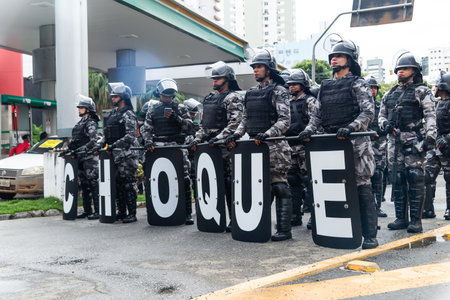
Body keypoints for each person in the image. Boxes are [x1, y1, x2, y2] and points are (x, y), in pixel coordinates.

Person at [298, 39, 378, 249]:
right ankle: (340, 231)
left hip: (356, 144)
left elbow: (368, 112)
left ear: (349, 60)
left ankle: (370, 235)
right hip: (331, 146)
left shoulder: (358, 83)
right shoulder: (325, 87)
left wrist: (352, 127)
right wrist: (307, 130)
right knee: (335, 188)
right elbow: (317, 116)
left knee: (362, 188)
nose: (334, 59)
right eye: (332, 56)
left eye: (339, 56)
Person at [225, 49, 293, 241]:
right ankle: (258, 227)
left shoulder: (279, 91)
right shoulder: (251, 93)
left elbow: (285, 120)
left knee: (279, 187)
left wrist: (268, 134)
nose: (255, 70)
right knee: (258, 188)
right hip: (254, 146)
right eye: (254, 67)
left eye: (259, 67)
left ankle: (284, 230)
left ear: (269, 69)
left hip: (274, 146)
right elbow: (245, 120)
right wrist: (235, 135)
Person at [379, 51, 436, 233]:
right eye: (399, 69)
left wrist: (429, 138)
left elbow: (430, 115)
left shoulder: (422, 91)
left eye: (405, 68)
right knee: (397, 178)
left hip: (414, 139)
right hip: (393, 142)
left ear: (415, 70)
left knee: (415, 177)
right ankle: (400, 219)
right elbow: (380, 116)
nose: (400, 72)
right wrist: (385, 124)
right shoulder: (389, 93)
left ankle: (416, 221)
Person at [189, 61, 244, 232]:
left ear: (227, 79)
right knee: (210, 182)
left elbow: (236, 122)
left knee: (229, 184)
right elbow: (203, 125)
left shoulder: (233, 97)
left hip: (225, 147)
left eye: (218, 78)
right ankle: (213, 217)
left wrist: (219, 138)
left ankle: (234, 219)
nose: (214, 81)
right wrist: (197, 139)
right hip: (210, 148)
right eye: (214, 78)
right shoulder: (209, 98)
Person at [141, 78, 195, 225]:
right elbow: (146, 128)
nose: (168, 98)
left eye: (170, 96)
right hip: (158, 146)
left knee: (184, 179)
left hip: (176, 146)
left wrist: (175, 118)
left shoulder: (181, 108)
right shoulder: (153, 108)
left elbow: (189, 127)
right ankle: (155, 211)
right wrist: (148, 141)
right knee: (155, 179)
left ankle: (187, 213)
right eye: (165, 95)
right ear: (159, 94)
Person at [95, 82, 139, 223]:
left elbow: (130, 136)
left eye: (115, 97)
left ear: (123, 98)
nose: (112, 99)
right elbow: (107, 135)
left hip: (127, 155)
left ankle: (132, 214)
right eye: (112, 96)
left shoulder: (128, 114)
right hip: (114, 154)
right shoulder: (113, 114)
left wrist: (112, 146)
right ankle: (121, 212)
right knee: (118, 184)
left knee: (128, 184)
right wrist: (99, 146)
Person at [285, 69, 317, 228]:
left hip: (305, 146)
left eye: (295, 84)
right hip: (290, 146)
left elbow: (316, 121)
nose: (292, 87)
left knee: (309, 180)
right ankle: (295, 215)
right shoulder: (287, 103)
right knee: (292, 180)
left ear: (303, 84)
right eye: (290, 84)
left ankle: (315, 216)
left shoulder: (310, 101)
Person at [64, 95, 100, 220]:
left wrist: (81, 150)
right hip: (80, 158)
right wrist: (67, 150)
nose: (79, 109)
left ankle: (98, 211)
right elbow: (75, 140)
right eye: (79, 108)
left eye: (82, 108)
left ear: (88, 109)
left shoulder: (91, 123)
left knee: (93, 184)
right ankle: (87, 210)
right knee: (84, 185)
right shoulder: (80, 123)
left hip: (89, 158)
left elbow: (93, 141)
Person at [425, 71, 450, 220]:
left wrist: (447, 138)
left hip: (447, 147)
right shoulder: (435, 104)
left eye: (436, 85)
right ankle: (427, 209)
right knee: (427, 176)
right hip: (434, 146)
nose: (434, 88)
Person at [366, 77, 388, 218]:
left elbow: (387, 122)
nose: (373, 90)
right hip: (364, 143)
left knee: (378, 175)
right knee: (364, 176)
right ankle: (367, 206)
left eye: (375, 88)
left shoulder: (380, 106)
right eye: (370, 87)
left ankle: (377, 206)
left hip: (379, 144)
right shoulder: (360, 106)